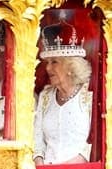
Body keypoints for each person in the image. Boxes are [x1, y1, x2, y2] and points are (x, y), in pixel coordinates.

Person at [33, 19, 93, 165]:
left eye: (54, 62)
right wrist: (39, 162)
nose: (47, 68)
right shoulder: (45, 96)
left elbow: (90, 146)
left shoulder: (89, 96)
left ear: (71, 67)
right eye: (47, 62)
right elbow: (37, 139)